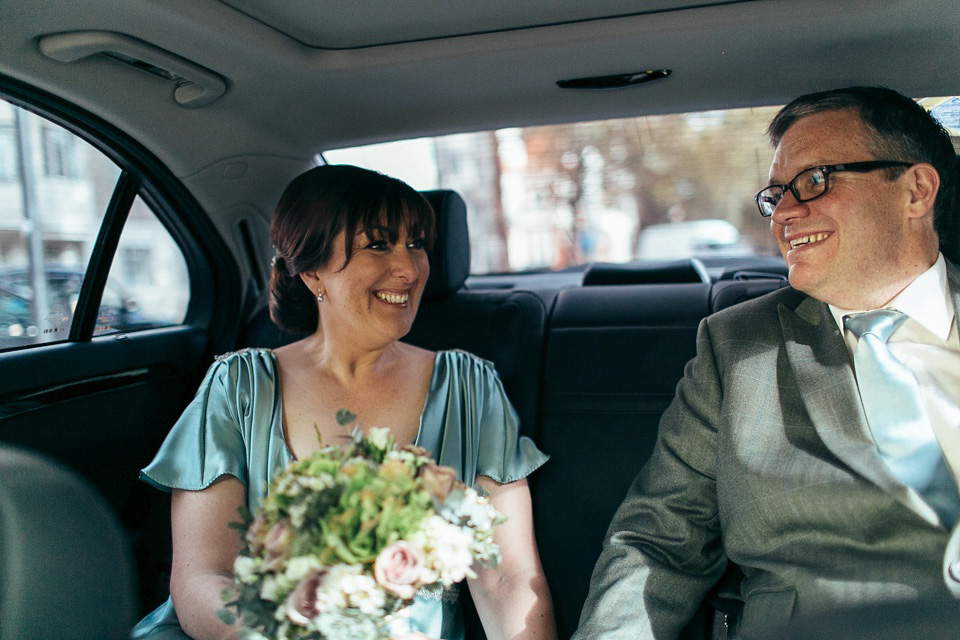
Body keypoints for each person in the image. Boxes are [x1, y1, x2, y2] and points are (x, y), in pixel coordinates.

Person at [573, 86, 960, 639]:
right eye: (776, 194)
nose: (784, 214)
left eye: (814, 181)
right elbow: (657, 542)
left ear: (916, 190)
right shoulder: (736, 347)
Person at [132, 164, 557, 640]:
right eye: (378, 244)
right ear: (312, 270)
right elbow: (202, 576)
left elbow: (507, 577)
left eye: (415, 244)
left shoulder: (469, 388)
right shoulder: (239, 387)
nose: (409, 268)